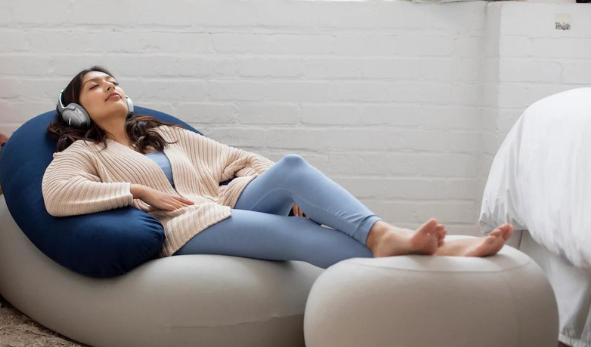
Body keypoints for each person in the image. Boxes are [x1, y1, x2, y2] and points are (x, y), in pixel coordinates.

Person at [43, 66, 514, 269]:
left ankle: (386, 236)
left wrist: (280, 196)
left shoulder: (163, 133)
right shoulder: (84, 153)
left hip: (221, 203)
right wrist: (139, 193)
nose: (110, 86)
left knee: (290, 167)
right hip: (183, 224)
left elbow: (240, 159)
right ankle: (433, 256)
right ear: (75, 111)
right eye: (94, 86)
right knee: (307, 240)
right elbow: (58, 196)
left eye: (113, 81)